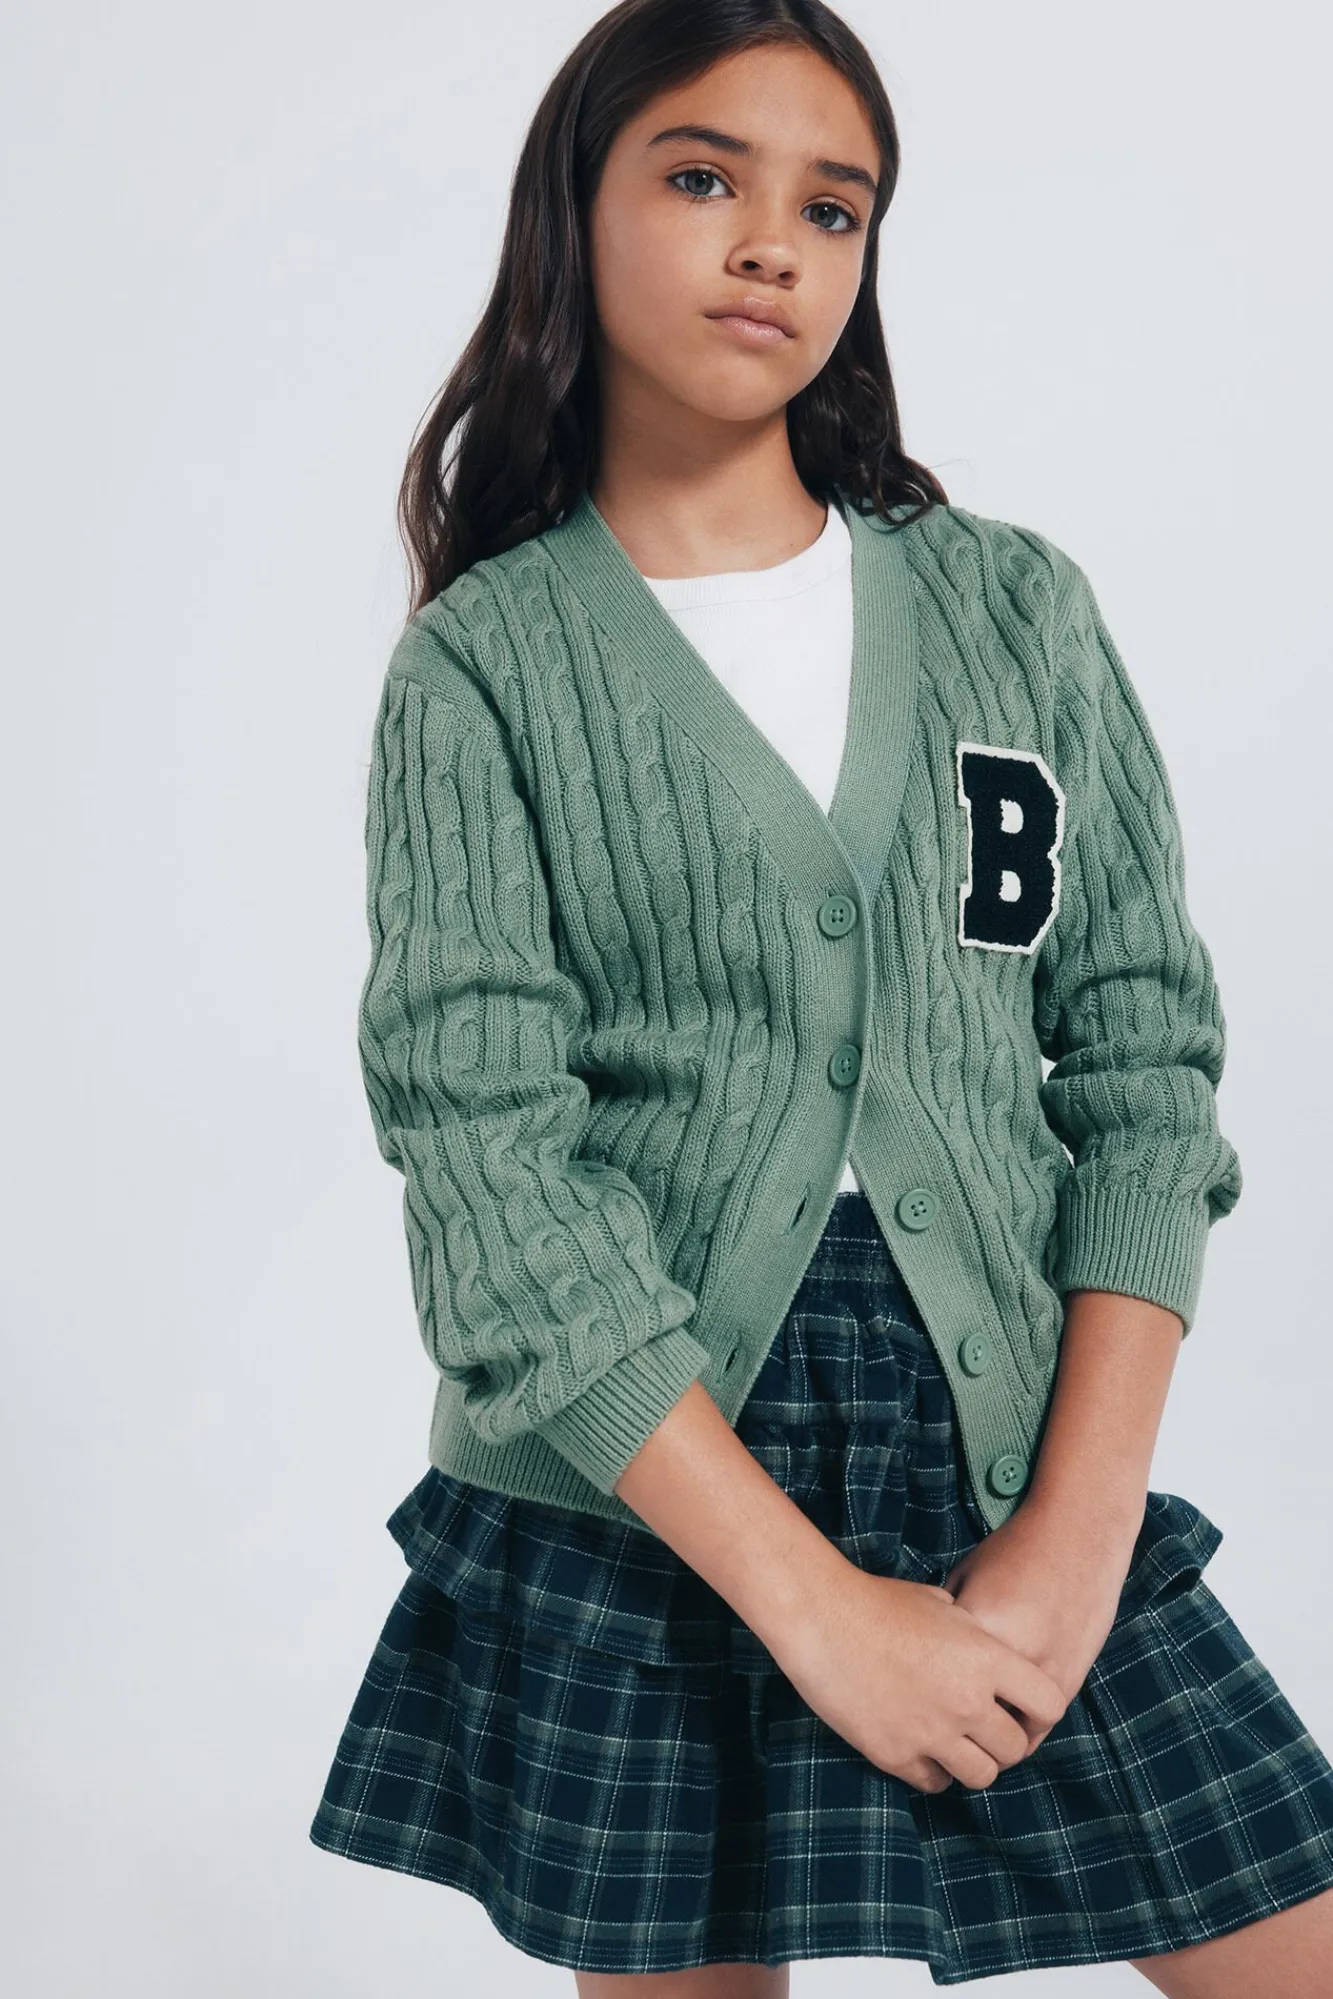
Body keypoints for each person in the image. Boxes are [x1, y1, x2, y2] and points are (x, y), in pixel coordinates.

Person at [308, 2, 1333, 1989]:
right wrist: (813, 1604)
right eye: (704, 177)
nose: (772, 242)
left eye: (833, 206)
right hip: (646, 1468)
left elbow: (1143, 1064)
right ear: (574, 210)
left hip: (1015, 1432)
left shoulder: (1013, 609)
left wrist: (1078, 1547)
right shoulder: (487, 669)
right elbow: (492, 1174)